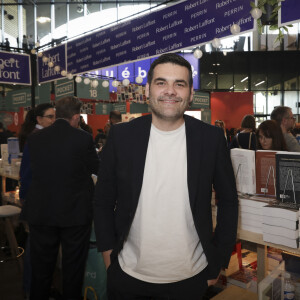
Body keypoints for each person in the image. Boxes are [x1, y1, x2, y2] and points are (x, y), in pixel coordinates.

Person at [93, 53, 238, 300]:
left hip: (192, 279)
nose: (170, 91)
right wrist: (109, 256)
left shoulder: (211, 139)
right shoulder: (122, 136)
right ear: (148, 89)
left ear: (190, 94)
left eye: (179, 84)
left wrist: (218, 262)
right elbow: (103, 199)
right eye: (161, 83)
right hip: (127, 275)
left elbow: (228, 201)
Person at [22, 96, 99, 300]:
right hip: (74, 212)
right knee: (73, 270)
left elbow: (31, 172)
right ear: (76, 117)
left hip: (42, 212)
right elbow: (97, 167)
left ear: (57, 114)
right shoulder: (82, 138)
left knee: (41, 270)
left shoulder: (35, 138)